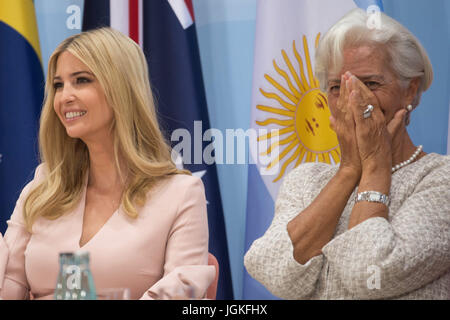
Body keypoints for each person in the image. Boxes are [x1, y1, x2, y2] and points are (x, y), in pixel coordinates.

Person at [244, 8, 450, 299]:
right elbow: (276, 275)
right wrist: (350, 170)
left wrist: (375, 169)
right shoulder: (307, 179)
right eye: (337, 87)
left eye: (371, 84)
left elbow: (369, 273)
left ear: (410, 89)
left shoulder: (441, 180)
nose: (353, 100)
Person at [0, 27, 214, 300]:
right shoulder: (44, 186)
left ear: (121, 88)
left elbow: (183, 292)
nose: (65, 97)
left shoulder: (180, 192)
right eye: (58, 85)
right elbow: (9, 285)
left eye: (81, 80)